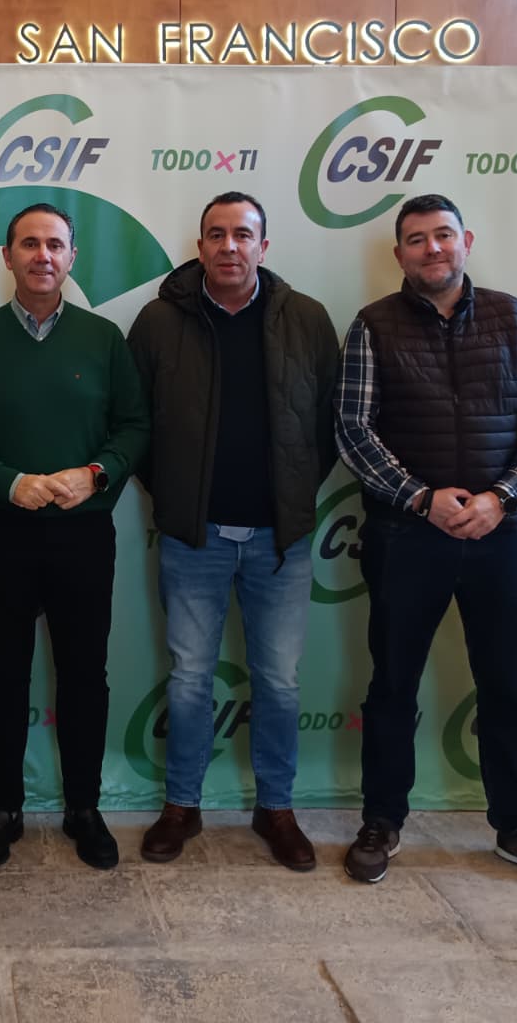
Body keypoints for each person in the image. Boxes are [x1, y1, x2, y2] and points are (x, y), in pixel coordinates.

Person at [334, 192, 517, 895]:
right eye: (417, 239)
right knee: (392, 687)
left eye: (443, 235)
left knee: (505, 687)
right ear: (399, 254)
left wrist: (501, 497)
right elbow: (353, 429)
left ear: (465, 241)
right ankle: (381, 820)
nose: (432, 249)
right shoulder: (373, 325)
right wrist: (421, 497)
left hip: (502, 534)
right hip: (405, 536)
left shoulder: (513, 316)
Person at [126, 191, 338, 869]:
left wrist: (293, 495)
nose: (229, 246)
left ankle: (276, 808)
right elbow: (135, 423)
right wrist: (177, 496)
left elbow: (329, 423)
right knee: (190, 679)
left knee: (279, 682)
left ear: (263, 247)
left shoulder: (307, 319)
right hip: (196, 538)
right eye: (216, 234)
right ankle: (181, 806)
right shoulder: (160, 321)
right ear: (200, 246)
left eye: (242, 234)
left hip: (281, 542)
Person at [0, 202, 149, 871]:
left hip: (83, 536)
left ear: (71, 257)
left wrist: (96, 473)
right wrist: (8, 483)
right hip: (0, 534)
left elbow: (135, 427)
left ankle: (84, 807)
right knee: (4, 672)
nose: (42, 255)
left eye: (55, 244)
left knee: (85, 674)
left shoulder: (103, 338)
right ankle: (4, 809)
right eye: (29, 244)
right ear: (8, 257)